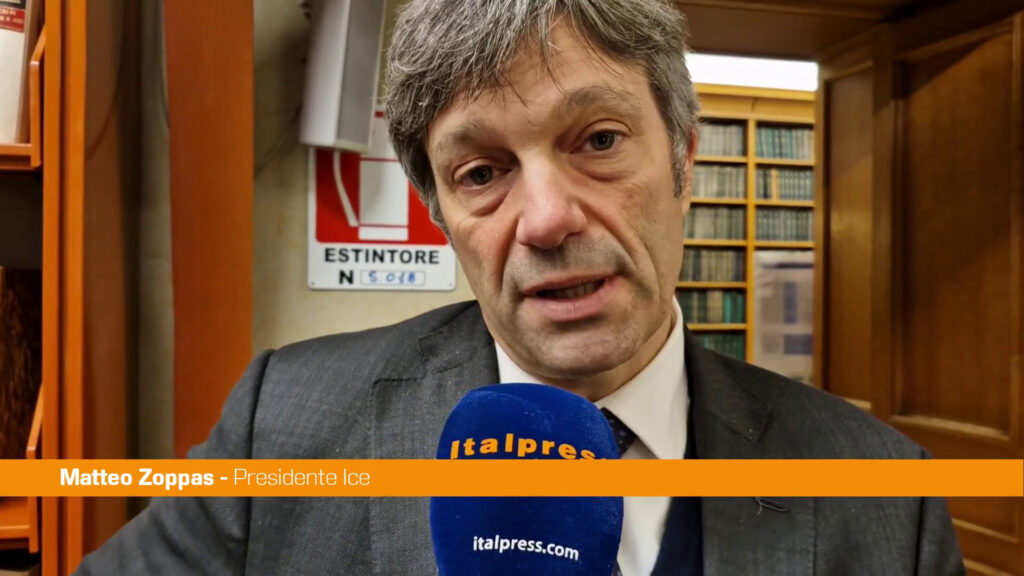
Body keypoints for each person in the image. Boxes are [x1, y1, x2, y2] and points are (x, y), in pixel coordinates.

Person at [77, 0, 965, 574]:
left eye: (599, 140)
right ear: (439, 214)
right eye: (481, 172)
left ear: (685, 159)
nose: (545, 219)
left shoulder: (887, 495)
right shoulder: (281, 429)